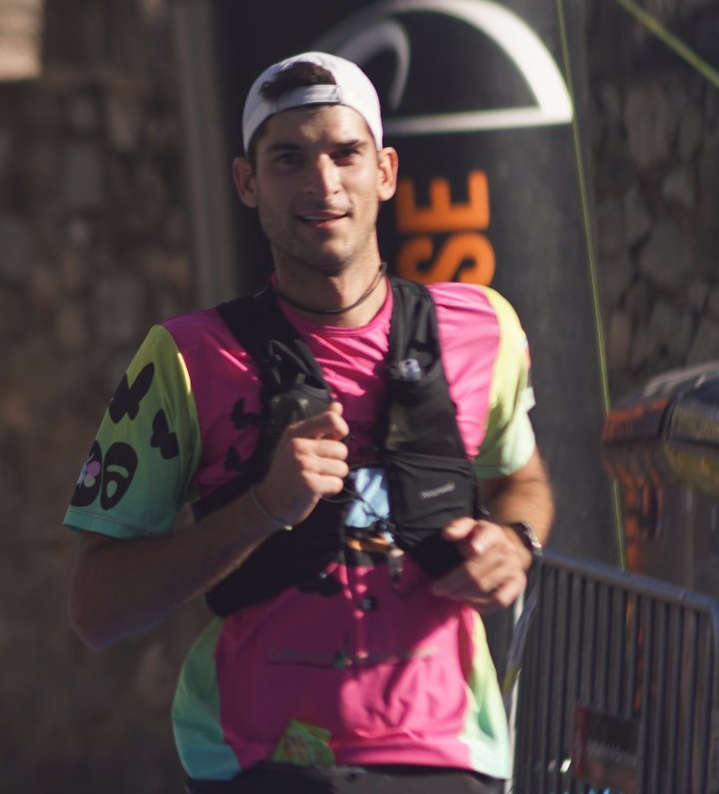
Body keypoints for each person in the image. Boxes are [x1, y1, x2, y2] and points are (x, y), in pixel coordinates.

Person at [65, 51, 554, 793]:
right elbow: (97, 610)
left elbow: (522, 481)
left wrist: (515, 542)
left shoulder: (483, 326)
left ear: (385, 171)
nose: (322, 185)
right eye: (288, 158)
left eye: (345, 154)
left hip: (448, 755)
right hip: (259, 761)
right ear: (246, 182)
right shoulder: (184, 358)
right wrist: (262, 508)